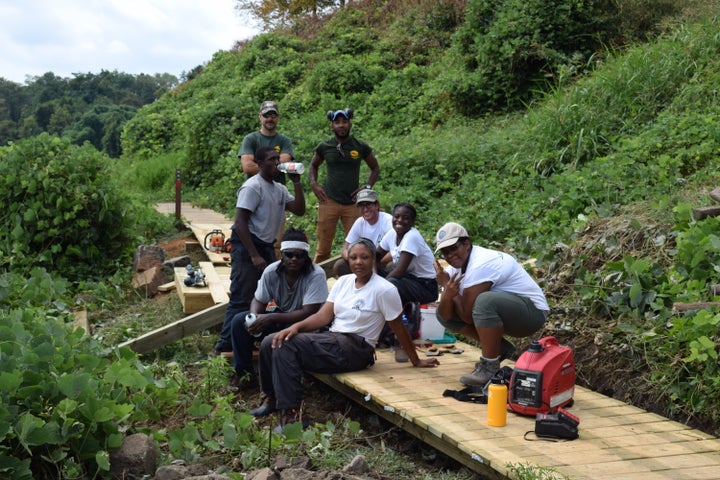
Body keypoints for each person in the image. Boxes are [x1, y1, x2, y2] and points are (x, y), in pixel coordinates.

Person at [249, 238, 440, 431]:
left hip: (357, 348)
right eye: (354, 257)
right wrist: (295, 327)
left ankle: (293, 416)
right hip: (333, 339)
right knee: (270, 341)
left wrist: (416, 360)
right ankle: (271, 398)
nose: (358, 262)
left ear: (373, 259)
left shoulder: (384, 289)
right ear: (348, 260)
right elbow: (323, 316)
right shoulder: (344, 282)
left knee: (286, 344)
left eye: (364, 257)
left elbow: (399, 328)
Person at [214, 146, 306, 356]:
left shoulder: (279, 188)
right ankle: (225, 344)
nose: (276, 163)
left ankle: (253, 334)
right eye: (272, 159)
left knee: (266, 293)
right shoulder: (253, 187)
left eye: (277, 159)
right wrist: (253, 254)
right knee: (242, 294)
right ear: (260, 163)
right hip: (247, 244)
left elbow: (300, 210)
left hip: (265, 244)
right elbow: (240, 223)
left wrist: (297, 182)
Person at [433, 222, 549, 387]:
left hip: (532, 313)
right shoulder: (456, 269)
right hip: (509, 313)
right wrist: (448, 292)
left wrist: (447, 287)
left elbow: (467, 316)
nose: (450, 256)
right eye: (445, 253)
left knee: (484, 301)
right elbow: (445, 316)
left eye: (454, 248)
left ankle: (489, 366)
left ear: (466, 244)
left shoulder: (481, 263)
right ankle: (500, 348)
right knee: (443, 311)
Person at [228, 228, 328, 389]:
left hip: (307, 324)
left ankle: (283, 378)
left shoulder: (316, 274)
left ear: (306, 257)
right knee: (239, 321)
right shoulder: (271, 271)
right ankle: (244, 373)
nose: (294, 259)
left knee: (287, 334)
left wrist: (270, 318)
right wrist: (254, 318)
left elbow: (309, 311)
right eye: (289, 255)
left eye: (299, 255)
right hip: (282, 317)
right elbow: (258, 299)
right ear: (281, 255)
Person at [309, 109, 380, 264]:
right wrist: (314, 184)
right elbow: (313, 165)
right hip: (329, 200)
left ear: (350, 124)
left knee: (358, 245)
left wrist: (366, 187)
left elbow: (375, 167)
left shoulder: (359, 146)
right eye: (337, 122)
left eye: (344, 121)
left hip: (353, 203)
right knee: (323, 247)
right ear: (332, 126)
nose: (341, 125)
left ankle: (358, 278)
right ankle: (317, 279)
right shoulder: (325, 146)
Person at [376, 203, 438, 361]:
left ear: (412, 221)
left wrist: (375, 286)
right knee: (356, 269)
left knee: (391, 285)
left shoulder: (412, 237)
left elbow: (399, 271)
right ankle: (381, 329)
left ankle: (394, 335)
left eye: (406, 218)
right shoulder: (392, 234)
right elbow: (374, 256)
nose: (400, 220)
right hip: (407, 279)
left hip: (425, 285)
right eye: (397, 216)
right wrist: (372, 273)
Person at [238, 100, 295, 259]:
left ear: (278, 118)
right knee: (249, 234)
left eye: (273, 115)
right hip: (253, 197)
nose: (270, 119)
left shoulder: (284, 140)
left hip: (277, 198)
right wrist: (275, 165)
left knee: (276, 241)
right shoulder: (251, 139)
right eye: (266, 115)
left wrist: (265, 164)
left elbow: (286, 160)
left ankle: (274, 272)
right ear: (260, 117)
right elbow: (247, 166)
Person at [332, 188, 393, 277]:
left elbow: (396, 252)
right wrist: (356, 261)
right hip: (364, 263)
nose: (365, 209)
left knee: (392, 265)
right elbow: (345, 249)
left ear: (376, 205)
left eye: (369, 205)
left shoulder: (388, 221)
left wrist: (374, 262)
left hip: (382, 263)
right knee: (340, 265)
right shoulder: (359, 222)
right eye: (361, 206)